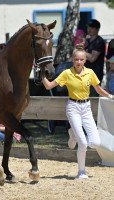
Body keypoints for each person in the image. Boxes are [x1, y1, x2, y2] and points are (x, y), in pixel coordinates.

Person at [42, 46, 114, 179]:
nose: (79, 62)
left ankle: (72, 134)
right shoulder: (66, 73)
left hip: (86, 108)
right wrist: (41, 73)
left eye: (81, 59)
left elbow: (98, 90)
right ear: (73, 60)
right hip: (73, 107)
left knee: (96, 142)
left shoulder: (90, 73)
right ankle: (81, 172)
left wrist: (110, 96)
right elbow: (49, 86)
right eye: (76, 59)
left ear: (85, 60)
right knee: (83, 143)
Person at [85, 19, 105, 96]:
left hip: (95, 76)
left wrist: (82, 51)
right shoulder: (88, 40)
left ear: (97, 29)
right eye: (88, 27)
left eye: (92, 27)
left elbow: (92, 59)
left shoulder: (99, 41)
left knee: (93, 100)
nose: (89, 29)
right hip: (86, 75)